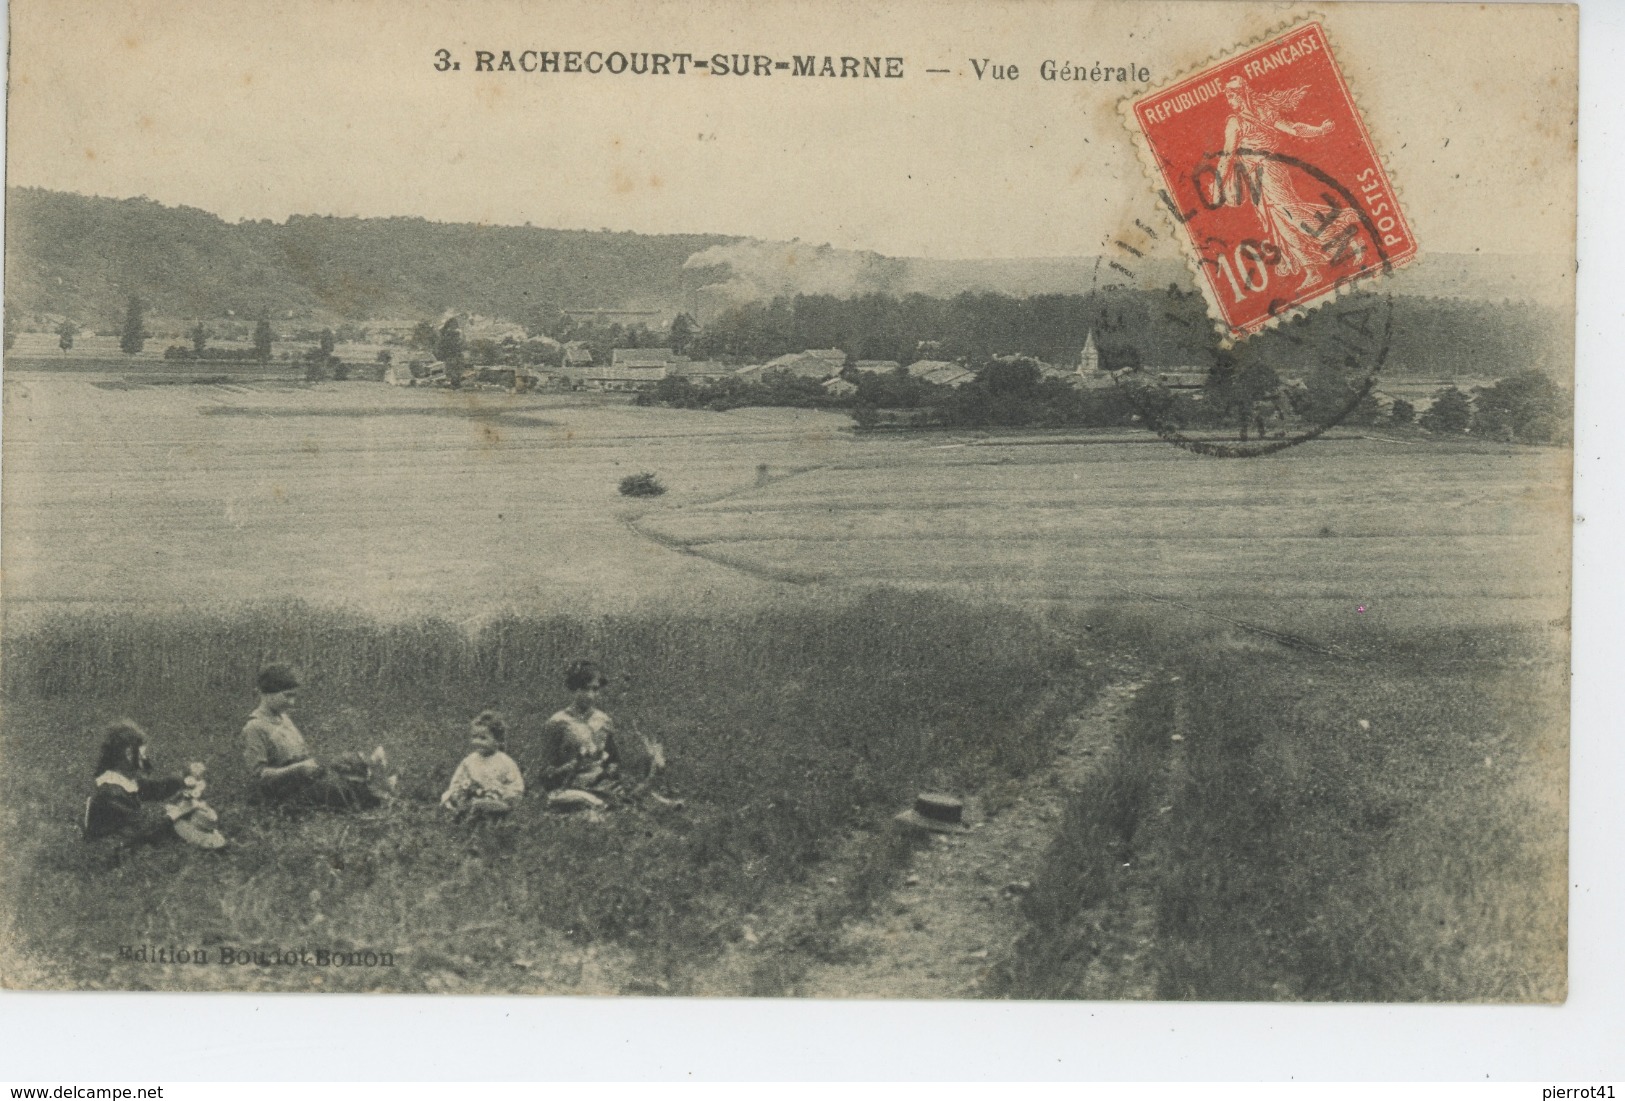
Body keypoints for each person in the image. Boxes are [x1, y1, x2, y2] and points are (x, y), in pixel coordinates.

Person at [1211, 75, 1359, 292]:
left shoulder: (1238, 122)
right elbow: (1294, 128)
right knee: (1280, 222)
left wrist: (1218, 187)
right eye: (1227, 96)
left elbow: (1227, 157)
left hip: (1268, 173)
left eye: (1231, 95)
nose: (1229, 100)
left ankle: (1342, 234)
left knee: (1291, 213)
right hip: (1258, 178)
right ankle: (1311, 269)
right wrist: (1319, 130)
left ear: (1241, 95)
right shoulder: (1261, 113)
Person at [241, 662, 393, 809]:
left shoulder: (283, 718)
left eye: (294, 696)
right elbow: (258, 776)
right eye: (287, 696)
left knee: (346, 762)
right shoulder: (255, 727)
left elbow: (301, 754)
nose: (292, 702)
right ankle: (377, 792)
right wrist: (297, 768)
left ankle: (371, 769)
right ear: (267, 693)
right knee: (337, 789)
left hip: (303, 778)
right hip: (285, 793)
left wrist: (315, 765)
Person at [536, 660, 678, 810]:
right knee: (593, 803)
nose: (590, 695)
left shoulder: (603, 720)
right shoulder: (558, 722)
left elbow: (613, 759)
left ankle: (659, 806)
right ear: (573, 689)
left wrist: (611, 768)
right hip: (572, 786)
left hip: (602, 784)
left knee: (634, 793)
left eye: (595, 689)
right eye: (584, 689)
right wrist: (575, 764)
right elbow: (546, 775)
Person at [84, 720, 224, 849]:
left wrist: (184, 781)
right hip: (111, 850)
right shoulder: (111, 792)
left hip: (127, 840)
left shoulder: (123, 780)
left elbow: (155, 789)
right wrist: (178, 811)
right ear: (128, 754)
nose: (145, 759)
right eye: (141, 755)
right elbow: (143, 830)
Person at [440, 710, 525, 821]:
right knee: (447, 797)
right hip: (472, 795)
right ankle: (466, 812)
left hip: (495, 797)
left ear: (497, 741)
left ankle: (483, 813)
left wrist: (507, 795)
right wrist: (459, 792)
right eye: (474, 737)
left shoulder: (505, 761)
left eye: (483, 738)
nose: (477, 742)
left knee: (491, 804)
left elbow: (516, 786)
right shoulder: (469, 760)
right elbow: (458, 779)